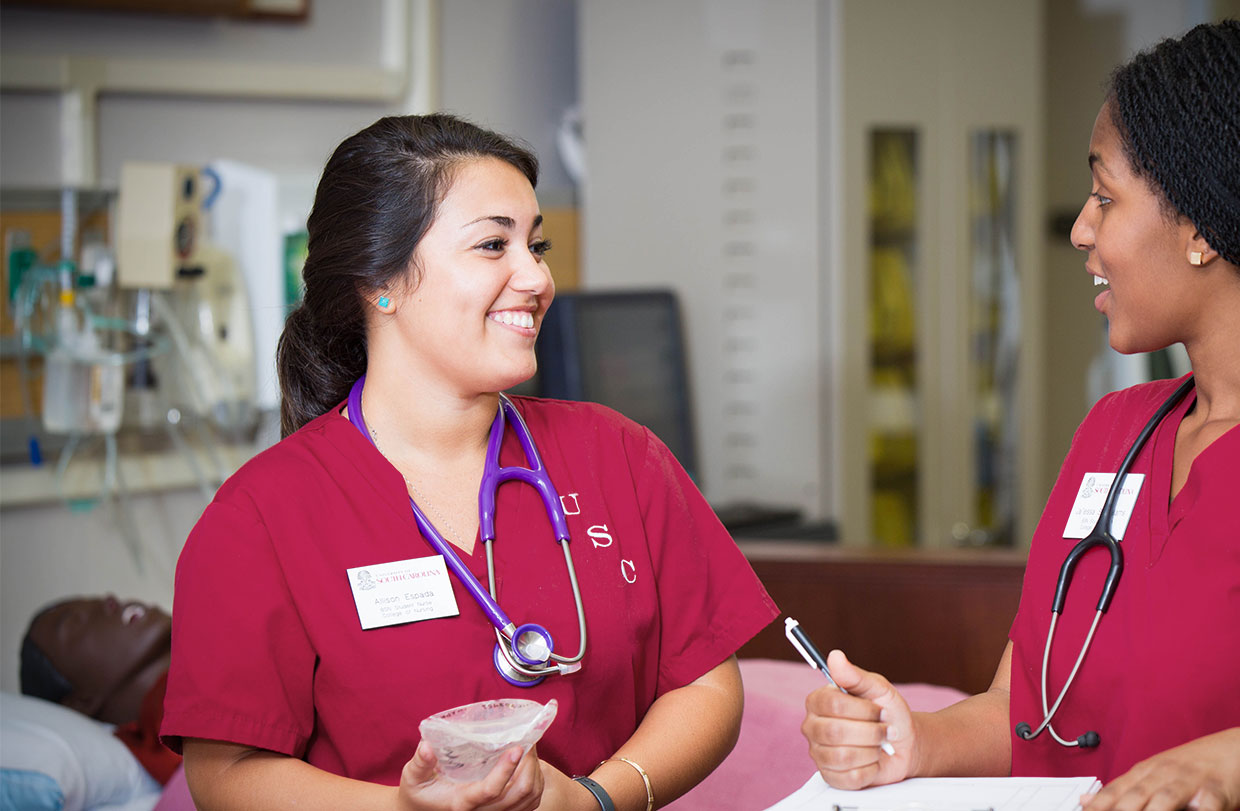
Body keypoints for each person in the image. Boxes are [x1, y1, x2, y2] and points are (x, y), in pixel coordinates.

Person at [800, 20, 1240, 811]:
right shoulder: (1114, 433)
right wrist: (914, 739)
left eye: (1105, 196)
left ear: (1203, 229)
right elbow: (1031, 712)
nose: (1080, 230)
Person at [161, 113, 779, 810]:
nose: (537, 277)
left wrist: (595, 801)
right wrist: (401, 809)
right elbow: (226, 773)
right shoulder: (261, 516)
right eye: (493, 244)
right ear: (380, 280)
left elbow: (705, 680)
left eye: (536, 245)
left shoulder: (619, 458)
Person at [20, 594, 180, 784]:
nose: (111, 600)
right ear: (80, 702)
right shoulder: (185, 733)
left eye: (98, 602)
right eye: (75, 623)